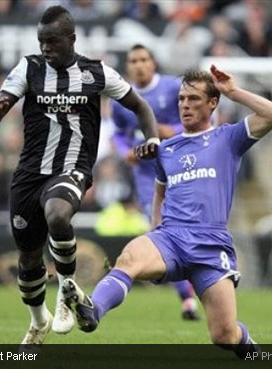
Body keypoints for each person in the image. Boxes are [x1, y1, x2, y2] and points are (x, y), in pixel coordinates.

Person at [63, 66, 272, 357]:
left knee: (224, 334)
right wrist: (156, 230)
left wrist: (233, 91)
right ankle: (92, 310)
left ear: (212, 103)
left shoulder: (228, 139)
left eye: (193, 99)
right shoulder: (166, 150)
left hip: (210, 244)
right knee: (129, 258)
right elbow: (160, 193)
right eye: (181, 99)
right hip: (171, 238)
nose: (185, 105)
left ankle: (254, 351)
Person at [0, 5, 159, 345]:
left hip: (72, 168)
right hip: (29, 174)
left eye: (52, 41)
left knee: (58, 214)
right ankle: (38, 321)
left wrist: (151, 137)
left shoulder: (97, 73)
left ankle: (67, 289)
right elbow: (4, 98)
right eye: (41, 41)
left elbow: (140, 105)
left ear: (71, 39)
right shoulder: (30, 67)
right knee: (28, 256)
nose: (45, 48)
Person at [112, 44, 199, 320]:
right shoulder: (121, 98)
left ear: (153, 63)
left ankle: (199, 283)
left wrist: (170, 130)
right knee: (163, 232)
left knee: (188, 230)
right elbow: (117, 133)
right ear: (128, 66)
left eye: (143, 59)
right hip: (148, 175)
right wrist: (124, 149)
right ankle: (187, 298)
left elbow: (201, 120)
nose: (138, 65)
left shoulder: (173, 88)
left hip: (181, 168)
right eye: (133, 60)